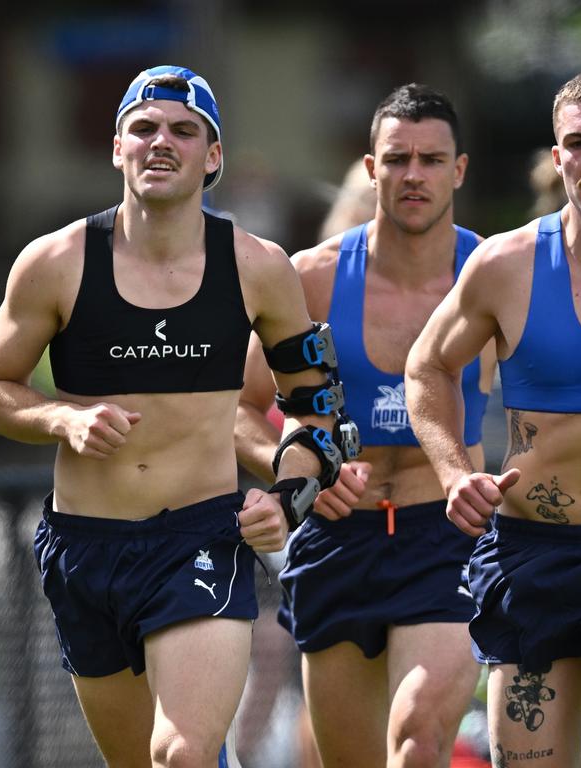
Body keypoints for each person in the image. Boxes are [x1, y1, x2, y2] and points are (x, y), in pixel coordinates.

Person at [0, 65, 353, 768]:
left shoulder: (257, 267)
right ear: (117, 147)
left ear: (212, 158)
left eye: (184, 131)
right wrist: (62, 420)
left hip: (198, 537)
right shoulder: (54, 262)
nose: (160, 142)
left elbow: (318, 413)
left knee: (178, 754)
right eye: (143, 128)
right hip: (84, 546)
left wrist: (289, 497)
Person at [405, 69, 581, 766]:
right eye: (580, 143)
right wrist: (453, 472)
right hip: (530, 549)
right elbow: (427, 368)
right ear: (557, 156)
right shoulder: (506, 265)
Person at [236, 83, 493, 767]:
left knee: (415, 737)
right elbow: (237, 409)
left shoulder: (495, 275)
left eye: (432, 160)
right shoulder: (311, 280)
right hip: (337, 538)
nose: (414, 175)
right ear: (371, 167)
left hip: (445, 536)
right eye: (398, 158)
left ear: (459, 170)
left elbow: (572, 376)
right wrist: (293, 472)